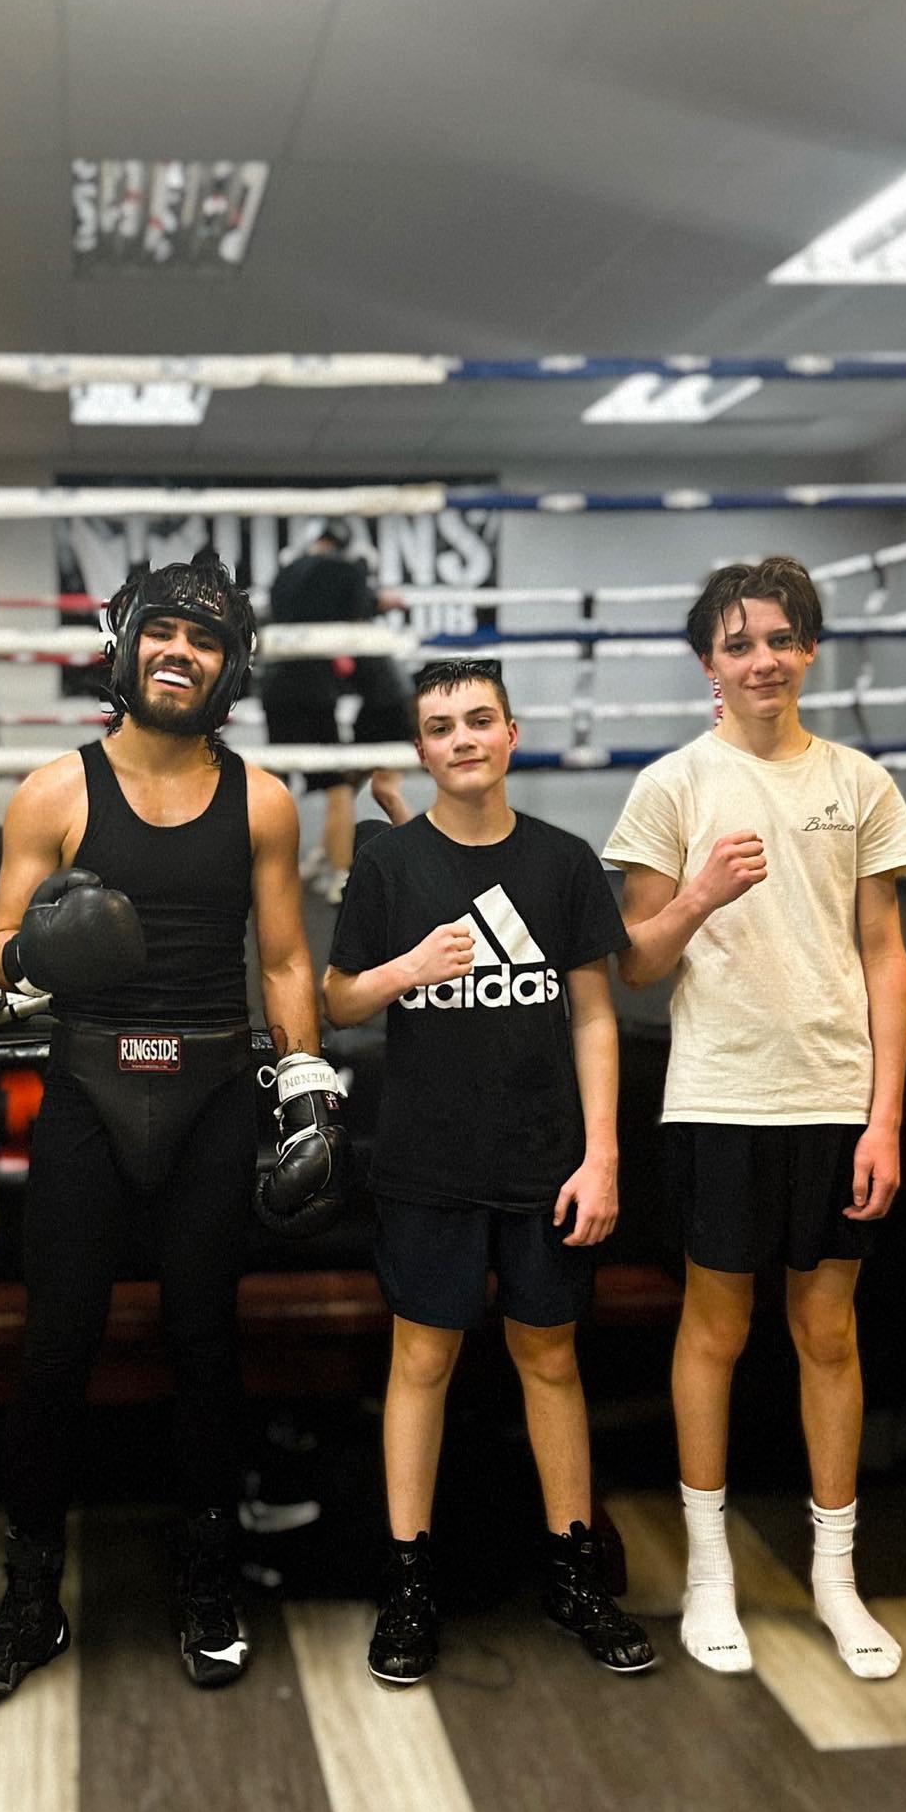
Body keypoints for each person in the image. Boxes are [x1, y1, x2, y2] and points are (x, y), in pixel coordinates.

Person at [0, 551, 344, 1709]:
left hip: (214, 1094)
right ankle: (29, 1602)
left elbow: (279, 954)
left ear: (231, 666)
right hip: (90, 1093)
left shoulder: (261, 799)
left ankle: (207, 1584)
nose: (181, 652)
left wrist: (306, 1078)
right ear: (126, 643)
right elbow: (7, 945)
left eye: (206, 639)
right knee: (54, 1350)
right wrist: (40, 957)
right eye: (163, 631)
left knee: (205, 1347)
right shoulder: (53, 792)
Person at [604, 557, 906, 1680]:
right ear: (710, 663)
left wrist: (884, 1115)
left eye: (782, 639)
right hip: (719, 1095)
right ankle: (708, 1573)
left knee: (828, 1334)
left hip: (836, 1098)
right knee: (717, 1331)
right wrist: (698, 893)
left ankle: (836, 1577)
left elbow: (886, 957)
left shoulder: (860, 782)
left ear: (809, 651)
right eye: (740, 644)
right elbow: (635, 965)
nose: (764, 660)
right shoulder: (672, 785)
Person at [322, 658, 655, 1683]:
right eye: (440, 725)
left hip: (547, 1159)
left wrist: (602, 1155)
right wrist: (405, 970)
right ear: (422, 749)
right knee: (420, 1362)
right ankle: (410, 1580)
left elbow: (598, 1013)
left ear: (512, 733)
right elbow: (337, 1001)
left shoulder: (561, 864)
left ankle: (571, 1571)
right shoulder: (388, 866)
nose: (462, 737)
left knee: (550, 1360)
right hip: (427, 1161)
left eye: (479, 719)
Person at [262, 523, 411, 901]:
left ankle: (263, 869)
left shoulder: (287, 572)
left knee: (277, 779)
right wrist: (381, 601)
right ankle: (342, 875)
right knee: (338, 786)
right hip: (315, 687)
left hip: (276, 683)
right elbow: (360, 605)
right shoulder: (344, 571)